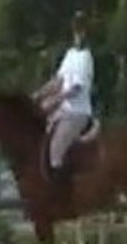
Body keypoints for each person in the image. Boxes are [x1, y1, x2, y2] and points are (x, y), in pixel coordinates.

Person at [32, 10, 97, 183]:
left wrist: (55, 100)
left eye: (82, 30)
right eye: (77, 29)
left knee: (55, 150)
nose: (79, 33)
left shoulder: (85, 57)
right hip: (63, 110)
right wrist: (39, 94)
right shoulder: (70, 55)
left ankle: (60, 190)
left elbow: (76, 88)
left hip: (77, 112)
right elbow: (58, 80)